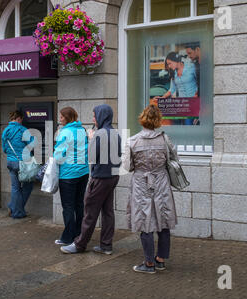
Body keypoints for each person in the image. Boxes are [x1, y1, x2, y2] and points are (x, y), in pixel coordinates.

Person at [123, 104, 178, 274]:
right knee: (163, 218)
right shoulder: (165, 139)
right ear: (158, 121)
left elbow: (127, 166)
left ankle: (148, 264)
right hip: (161, 180)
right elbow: (174, 159)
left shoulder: (132, 141)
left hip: (141, 183)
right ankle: (160, 260)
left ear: (142, 120)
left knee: (144, 221)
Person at [60, 104, 121, 255]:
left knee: (90, 212)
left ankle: (80, 244)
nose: (93, 118)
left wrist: (91, 139)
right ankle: (106, 245)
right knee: (108, 212)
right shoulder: (115, 133)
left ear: (101, 116)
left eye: (94, 115)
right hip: (112, 176)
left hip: (100, 178)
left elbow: (92, 157)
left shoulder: (99, 134)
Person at [54, 107, 89, 245]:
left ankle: (67, 237)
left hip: (68, 175)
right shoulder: (82, 130)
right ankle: (79, 234)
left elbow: (58, 155)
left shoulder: (65, 132)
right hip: (83, 173)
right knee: (79, 205)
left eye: (61, 117)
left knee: (68, 207)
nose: (60, 119)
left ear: (67, 118)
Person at [1, 110, 36, 219]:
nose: (22, 121)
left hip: (11, 162)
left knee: (15, 187)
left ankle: (13, 207)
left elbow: (4, 148)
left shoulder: (6, 130)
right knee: (28, 186)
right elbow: (32, 144)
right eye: (21, 119)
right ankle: (17, 211)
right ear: (19, 118)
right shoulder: (22, 129)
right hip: (23, 162)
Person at [155, 52, 199, 125]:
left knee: (188, 125)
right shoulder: (173, 73)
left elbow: (200, 82)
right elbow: (171, 90)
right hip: (182, 105)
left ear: (176, 60)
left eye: (170, 63)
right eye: (168, 64)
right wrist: (162, 98)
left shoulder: (191, 68)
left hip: (193, 103)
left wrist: (197, 93)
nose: (169, 66)